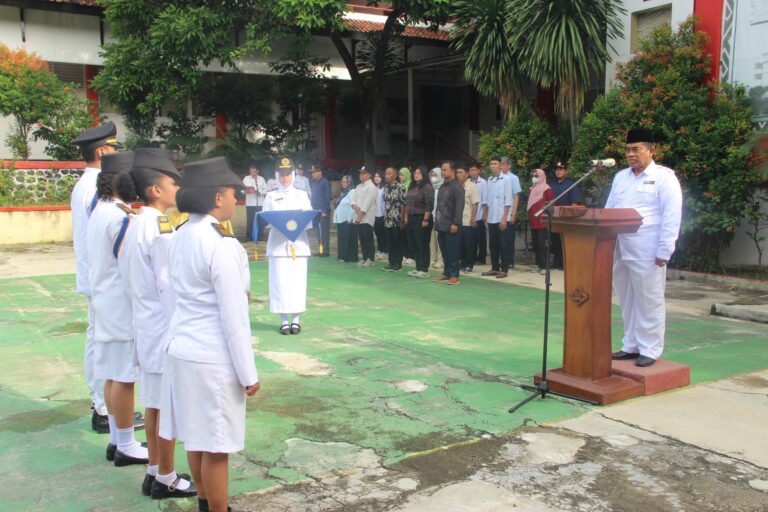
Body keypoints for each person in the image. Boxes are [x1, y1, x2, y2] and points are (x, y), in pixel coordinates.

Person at [161, 156, 260, 512]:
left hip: (183, 349)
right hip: (212, 357)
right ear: (218, 198)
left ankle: (204, 502)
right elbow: (234, 318)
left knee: (196, 436)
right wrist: (248, 373)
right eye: (234, 193)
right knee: (217, 445)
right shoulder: (221, 244)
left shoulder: (180, 234)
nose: (238, 200)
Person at [115, 148, 196, 500]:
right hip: (163, 329)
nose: (178, 188)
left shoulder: (136, 222)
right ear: (155, 190)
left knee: (153, 404)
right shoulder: (160, 228)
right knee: (167, 408)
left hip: (145, 328)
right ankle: (165, 475)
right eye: (172, 182)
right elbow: (169, 287)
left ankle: (153, 470)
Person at [86, 151, 149, 467]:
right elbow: (130, 268)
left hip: (105, 304)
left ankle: (116, 438)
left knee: (112, 375)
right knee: (124, 377)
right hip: (121, 308)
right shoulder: (122, 218)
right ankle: (126, 444)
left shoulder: (100, 210)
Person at [70, 121, 131, 434]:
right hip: (102, 278)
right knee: (102, 343)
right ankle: (104, 407)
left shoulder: (85, 184)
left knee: (99, 339)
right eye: (112, 148)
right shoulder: (96, 187)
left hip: (94, 275)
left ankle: (104, 405)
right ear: (101, 151)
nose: (115, 154)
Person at [608, 128, 682, 368]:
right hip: (620, 247)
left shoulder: (664, 177)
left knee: (649, 300)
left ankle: (649, 348)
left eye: (636, 149)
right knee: (626, 298)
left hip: (647, 250)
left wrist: (665, 249)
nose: (631, 154)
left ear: (651, 151)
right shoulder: (620, 177)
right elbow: (609, 211)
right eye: (628, 150)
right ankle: (630, 344)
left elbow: (672, 215)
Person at [262, 158, 314, 334]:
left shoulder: (302, 195)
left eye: (288, 174)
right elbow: (266, 219)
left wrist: (295, 225)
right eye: (282, 175)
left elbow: (309, 220)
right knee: (280, 283)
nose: (285, 178)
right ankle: (284, 320)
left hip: (298, 244)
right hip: (278, 245)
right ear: (278, 175)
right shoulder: (270, 196)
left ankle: (296, 320)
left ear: (292, 174)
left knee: (297, 283)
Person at [482, 157, 515, 279]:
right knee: (493, 244)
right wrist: (485, 215)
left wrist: (504, 218)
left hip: (502, 217)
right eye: (491, 164)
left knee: (504, 245)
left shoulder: (506, 179)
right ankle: (494, 268)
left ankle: (504, 269)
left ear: (500, 165)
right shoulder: (490, 180)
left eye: (495, 163)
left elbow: (508, 200)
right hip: (491, 217)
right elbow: (487, 200)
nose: (493, 166)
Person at [434, 161, 465, 285]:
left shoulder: (457, 187)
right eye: (441, 170)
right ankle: (446, 273)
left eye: (445, 170)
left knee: (453, 250)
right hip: (441, 224)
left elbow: (459, 206)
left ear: (452, 171)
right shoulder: (442, 186)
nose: (442, 172)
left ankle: (454, 275)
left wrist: (456, 223)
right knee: (445, 250)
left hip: (452, 225)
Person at [548, 161, 583, 269]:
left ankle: (565, 264)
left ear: (566, 171)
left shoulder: (571, 184)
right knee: (555, 241)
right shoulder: (551, 184)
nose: (558, 171)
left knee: (566, 242)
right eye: (557, 169)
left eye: (561, 169)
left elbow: (575, 203)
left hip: (566, 218)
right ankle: (556, 263)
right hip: (554, 217)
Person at [404, 165, 434, 278]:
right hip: (412, 218)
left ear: (424, 175)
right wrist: (407, 217)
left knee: (422, 244)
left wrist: (426, 219)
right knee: (414, 244)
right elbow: (407, 203)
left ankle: (424, 269)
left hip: (422, 218)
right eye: (415, 173)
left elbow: (429, 205)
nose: (416, 175)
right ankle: (417, 267)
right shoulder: (412, 186)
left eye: (419, 173)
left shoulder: (427, 187)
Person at [526, 168, 555, 275]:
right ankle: (538, 264)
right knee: (535, 244)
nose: (534, 178)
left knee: (541, 243)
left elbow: (551, 204)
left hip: (542, 221)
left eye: (536, 176)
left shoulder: (547, 189)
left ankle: (544, 266)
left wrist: (547, 217)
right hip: (533, 220)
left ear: (542, 176)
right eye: (533, 176)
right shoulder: (532, 189)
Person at [381, 166, 407, 272]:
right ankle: (391, 262)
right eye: (386, 173)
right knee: (390, 242)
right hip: (388, 220)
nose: (386, 176)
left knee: (398, 242)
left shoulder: (400, 187)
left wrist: (402, 219)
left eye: (389, 173)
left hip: (397, 219)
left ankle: (398, 263)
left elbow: (404, 204)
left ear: (395, 175)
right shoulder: (385, 187)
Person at [351, 166, 378, 267]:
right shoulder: (358, 186)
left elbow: (367, 203)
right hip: (358, 214)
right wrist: (356, 208)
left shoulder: (372, 187)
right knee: (361, 238)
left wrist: (360, 215)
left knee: (368, 238)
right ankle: (364, 257)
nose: (361, 175)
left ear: (369, 175)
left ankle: (370, 258)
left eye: (363, 173)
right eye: (360, 173)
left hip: (367, 217)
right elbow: (354, 199)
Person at [456, 166, 480, 273]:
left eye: (460, 172)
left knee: (468, 244)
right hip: (458, 220)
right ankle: (462, 262)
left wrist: (473, 218)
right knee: (459, 244)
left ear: (466, 174)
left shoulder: (472, 186)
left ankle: (469, 264)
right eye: (457, 172)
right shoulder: (456, 186)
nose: (458, 174)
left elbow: (475, 204)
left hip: (468, 219)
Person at [333, 175, 357, 262]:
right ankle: (342, 255)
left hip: (347, 219)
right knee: (342, 238)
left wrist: (349, 218)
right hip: (341, 219)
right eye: (342, 182)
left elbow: (352, 206)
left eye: (345, 182)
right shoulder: (343, 192)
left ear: (350, 182)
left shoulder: (352, 191)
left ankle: (348, 256)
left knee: (347, 238)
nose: (343, 183)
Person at [309, 164, 332, 257]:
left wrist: (324, 210)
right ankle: (321, 249)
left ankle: (325, 251)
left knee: (324, 231)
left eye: (314, 172)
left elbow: (327, 197)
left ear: (320, 172)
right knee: (318, 232)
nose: (312, 174)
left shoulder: (325, 182)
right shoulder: (314, 182)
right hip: (315, 211)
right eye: (312, 172)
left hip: (323, 211)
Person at [469, 163, 488, 266]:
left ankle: (482, 258)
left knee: (481, 238)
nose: (473, 172)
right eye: (471, 170)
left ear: (479, 171)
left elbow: (485, 200)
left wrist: (485, 214)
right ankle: (472, 257)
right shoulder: (467, 182)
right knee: (472, 239)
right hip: (470, 215)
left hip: (480, 214)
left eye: (475, 169)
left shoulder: (483, 183)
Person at [243, 163, 267, 242]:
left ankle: (260, 236)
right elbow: (242, 189)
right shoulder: (246, 178)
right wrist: (246, 191)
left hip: (259, 202)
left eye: (254, 172)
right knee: (250, 220)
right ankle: (249, 237)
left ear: (257, 171)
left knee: (260, 220)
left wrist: (259, 191)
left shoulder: (261, 179)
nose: (252, 174)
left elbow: (266, 190)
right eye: (251, 172)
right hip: (249, 203)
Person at [428, 167, 445, 270]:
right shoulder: (430, 188)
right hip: (431, 217)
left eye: (435, 175)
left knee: (440, 240)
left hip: (440, 218)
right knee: (432, 240)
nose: (433, 177)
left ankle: (440, 260)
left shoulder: (443, 187)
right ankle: (433, 258)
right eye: (432, 175)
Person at [398, 167, 415, 265]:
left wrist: (405, 216)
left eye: (402, 175)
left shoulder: (410, 185)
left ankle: (411, 256)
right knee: (402, 236)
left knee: (409, 236)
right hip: (400, 213)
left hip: (408, 214)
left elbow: (408, 202)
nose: (401, 177)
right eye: (399, 175)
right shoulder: (399, 186)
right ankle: (404, 254)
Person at [372, 170, 387, 259]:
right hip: (375, 215)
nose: (376, 178)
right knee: (378, 234)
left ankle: (385, 251)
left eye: (378, 176)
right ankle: (380, 249)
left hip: (383, 214)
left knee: (383, 234)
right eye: (375, 176)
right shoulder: (374, 189)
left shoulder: (384, 188)